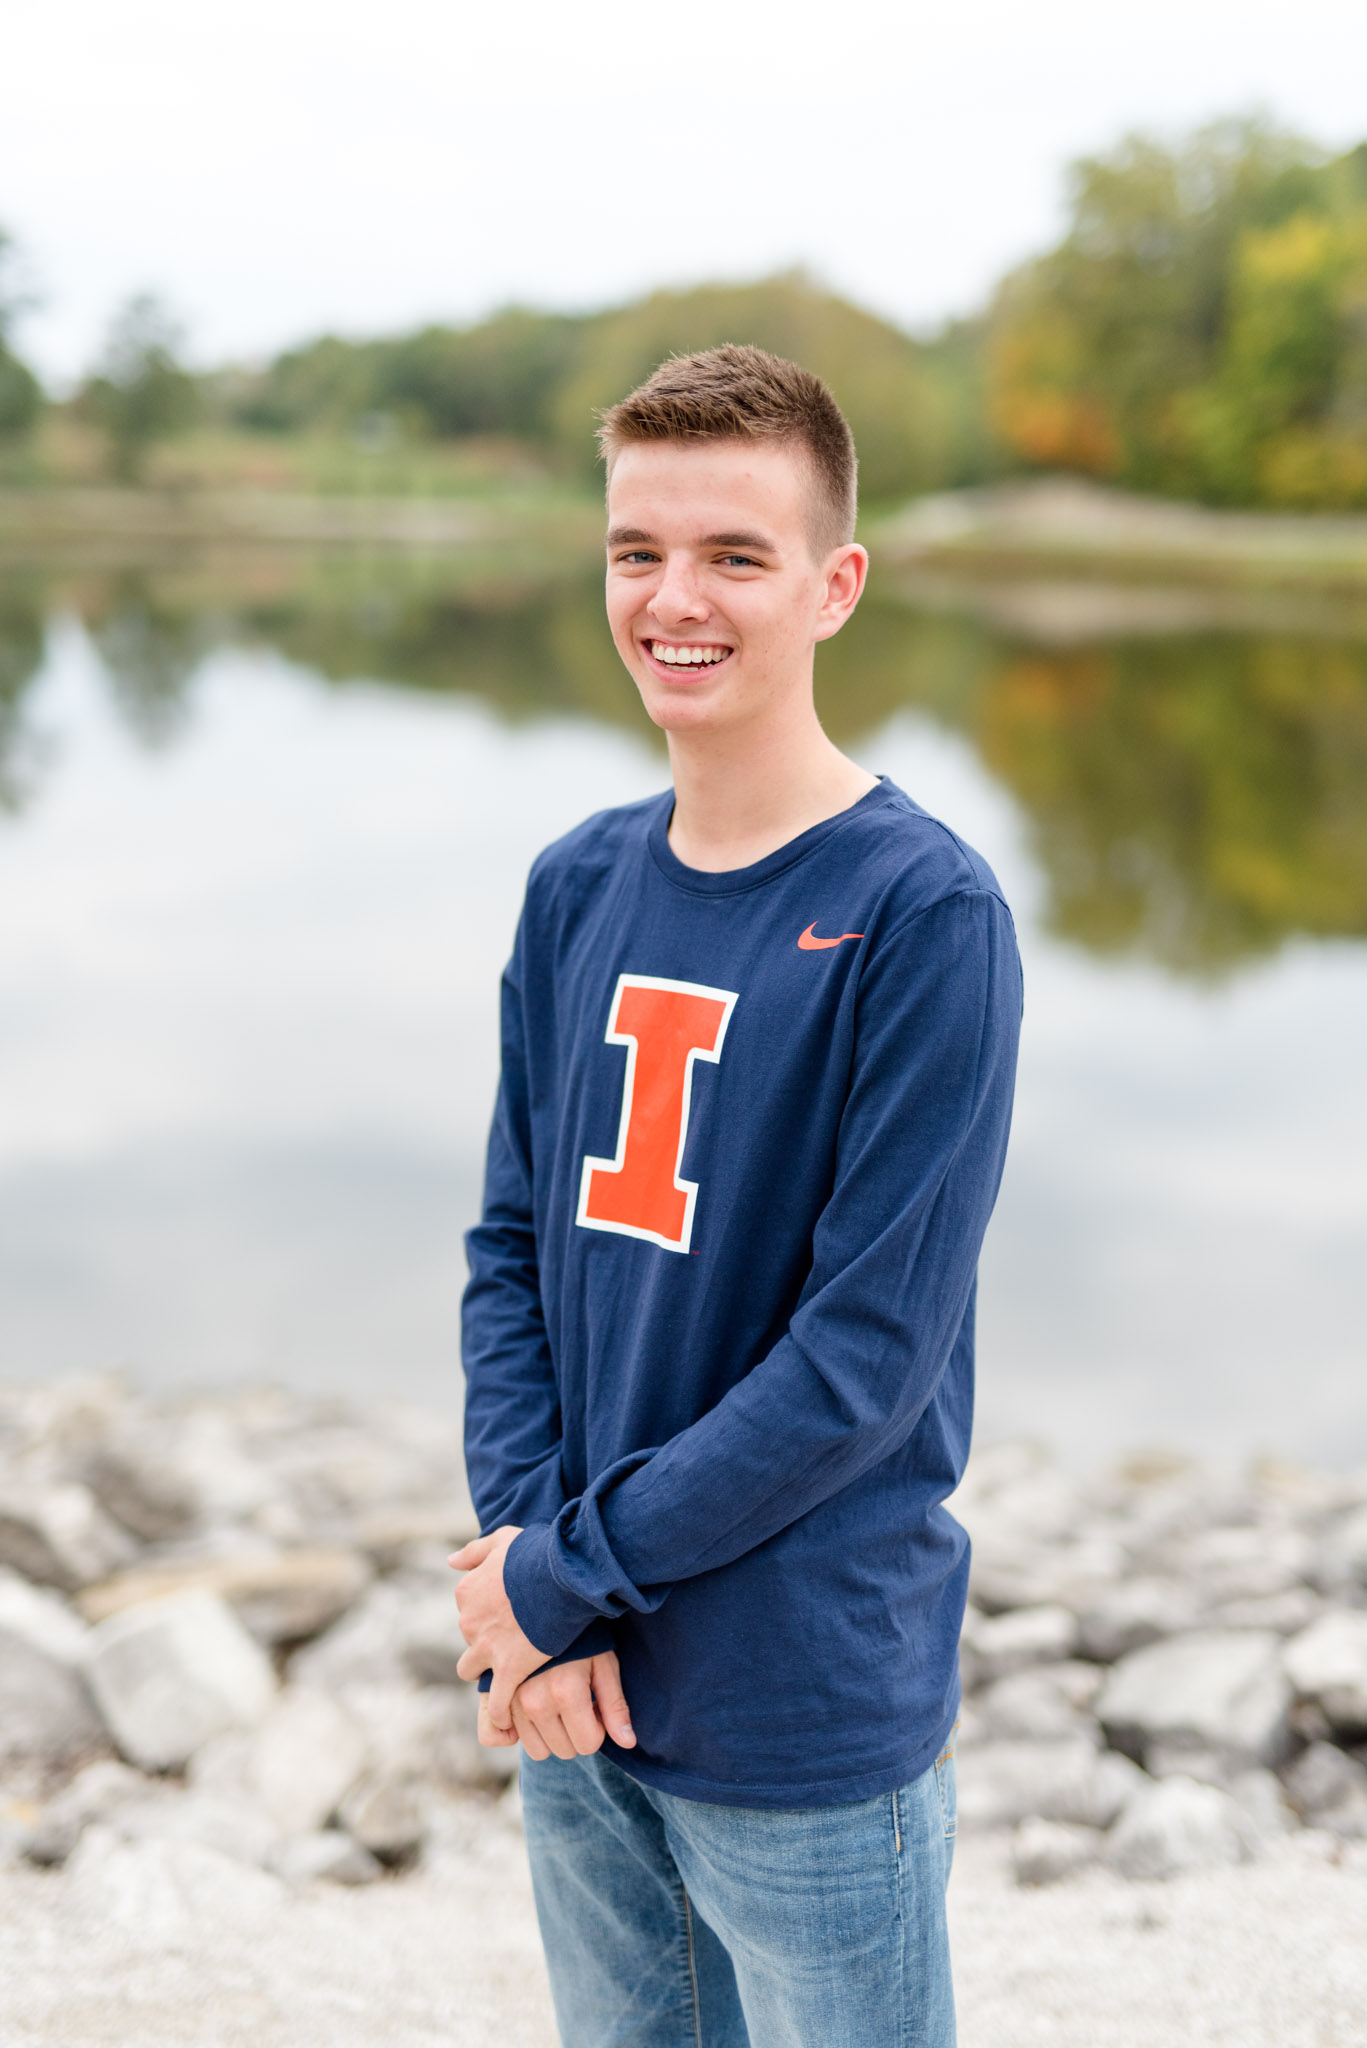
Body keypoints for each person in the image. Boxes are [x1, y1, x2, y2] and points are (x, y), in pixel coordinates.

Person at [451, 344, 1022, 2047]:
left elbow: (862, 1361)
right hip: (581, 1697)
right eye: (638, 551)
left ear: (836, 585)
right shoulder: (577, 886)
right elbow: (510, 1256)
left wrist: (562, 1580)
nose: (672, 600)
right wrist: (533, 1587)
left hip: (800, 1709)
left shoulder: (926, 915)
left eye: (733, 556)